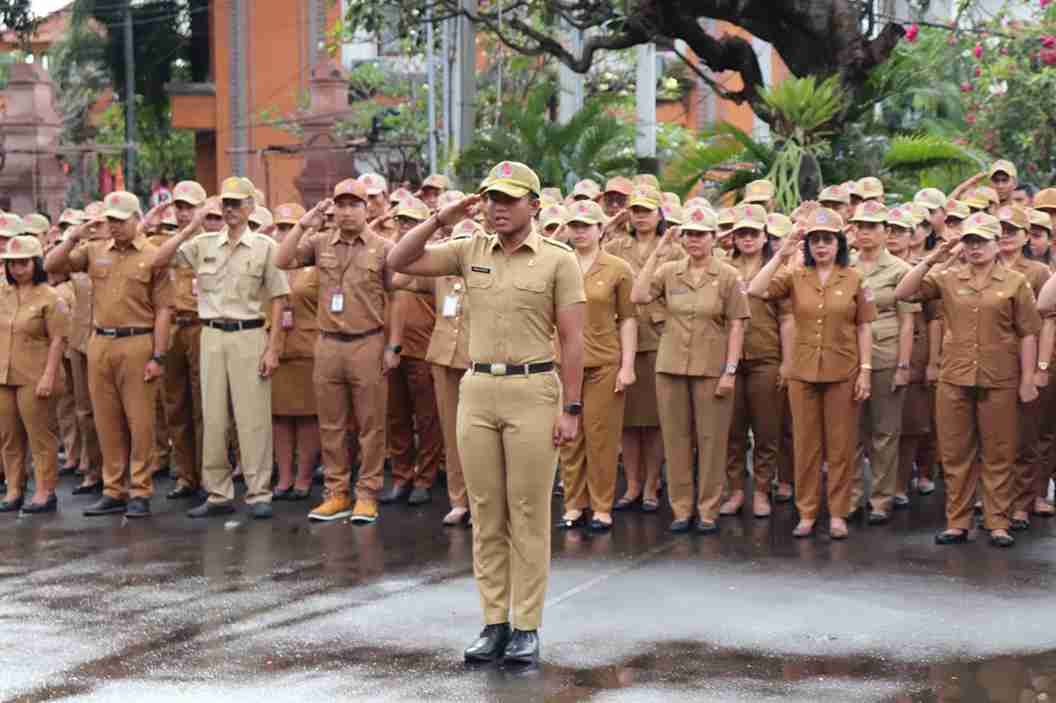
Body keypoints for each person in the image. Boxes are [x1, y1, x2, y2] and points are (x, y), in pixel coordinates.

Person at [387, 160, 585, 666]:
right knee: (486, 511)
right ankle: (494, 622)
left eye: (509, 199)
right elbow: (399, 259)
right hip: (477, 388)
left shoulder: (558, 259)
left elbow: (573, 340)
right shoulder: (469, 249)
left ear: (533, 206)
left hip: (533, 388)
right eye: (492, 198)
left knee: (528, 512)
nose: (497, 207)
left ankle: (526, 626)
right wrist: (441, 217)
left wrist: (571, 408)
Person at [896, 212, 1041, 548]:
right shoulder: (947, 277)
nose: (975, 248)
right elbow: (904, 292)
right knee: (955, 452)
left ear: (996, 244)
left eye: (982, 242)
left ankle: (997, 521)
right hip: (955, 376)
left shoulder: (1015, 282)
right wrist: (934, 257)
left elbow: (1028, 333)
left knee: (999, 451)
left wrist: (1028, 379)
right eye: (970, 241)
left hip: (1000, 376)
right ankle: (957, 522)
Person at [151, 176, 290, 520]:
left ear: (250, 207)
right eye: (225, 203)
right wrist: (191, 227)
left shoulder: (265, 247)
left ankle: (259, 492)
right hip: (211, 334)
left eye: (236, 203)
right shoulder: (204, 244)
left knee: (252, 417)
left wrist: (273, 347)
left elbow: (279, 298)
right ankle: (218, 493)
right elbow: (158, 260)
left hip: (249, 334)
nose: (230, 209)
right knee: (213, 417)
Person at [748, 208, 876, 540]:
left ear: (839, 243)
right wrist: (783, 252)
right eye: (815, 240)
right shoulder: (795, 275)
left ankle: (837, 513)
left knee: (841, 446)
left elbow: (864, 326)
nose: (821, 246)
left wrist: (865, 371)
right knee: (806, 446)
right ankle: (806, 512)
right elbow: (756, 289)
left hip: (843, 369)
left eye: (827, 240)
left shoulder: (854, 278)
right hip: (802, 371)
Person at [275, 180, 398, 524]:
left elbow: (396, 297)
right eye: (340, 205)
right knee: (331, 424)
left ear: (366, 208)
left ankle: (367, 494)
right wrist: (305, 222)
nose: (346, 212)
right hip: (328, 343)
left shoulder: (383, 248)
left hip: (367, 342)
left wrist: (392, 345)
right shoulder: (319, 242)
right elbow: (282, 259)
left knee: (371, 425)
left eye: (353, 205)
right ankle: (336, 492)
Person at [44, 192, 172, 518]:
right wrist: (74, 235)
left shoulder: (153, 255)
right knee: (106, 420)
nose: (114, 226)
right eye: (110, 220)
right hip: (100, 342)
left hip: (137, 341)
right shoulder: (95, 250)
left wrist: (158, 355)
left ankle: (140, 489)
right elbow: (51, 265)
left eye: (120, 220)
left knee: (140, 422)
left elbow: (163, 310)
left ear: (137, 219)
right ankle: (113, 489)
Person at [631, 203, 749, 534]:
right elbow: (638, 295)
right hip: (670, 366)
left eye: (701, 234)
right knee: (675, 439)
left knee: (712, 441)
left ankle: (708, 509)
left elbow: (737, 325)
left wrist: (730, 371)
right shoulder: (670, 271)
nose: (694, 240)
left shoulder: (728, 276)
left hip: (711, 368)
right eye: (689, 234)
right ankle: (681, 509)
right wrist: (657, 252)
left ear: (714, 238)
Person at [557, 200, 636, 532]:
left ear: (601, 229)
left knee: (601, 436)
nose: (580, 232)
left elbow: (628, 319)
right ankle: (574, 504)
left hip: (604, 362)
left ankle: (602, 506)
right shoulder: (559, 264)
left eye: (586, 226)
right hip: (564, 363)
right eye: (574, 226)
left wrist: (627, 366)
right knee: (568, 436)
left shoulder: (618, 268)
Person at [603, 185, 683, 513]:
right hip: (620, 338)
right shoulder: (615, 246)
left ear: (659, 214)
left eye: (646, 210)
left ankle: (651, 483)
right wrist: (610, 224)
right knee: (627, 420)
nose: (640, 217)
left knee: (655, 420)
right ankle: (633, 484)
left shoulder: (675, 249)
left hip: (658, 336)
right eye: (635, 210)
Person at [847, 201, 917, 524]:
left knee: (885, 432)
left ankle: (880, 499)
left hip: (886, 355)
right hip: (848, 356)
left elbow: (907, 322)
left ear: (886, 231)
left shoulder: (900, 269)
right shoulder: (845, 264)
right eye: (860, 226)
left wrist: (904, 365)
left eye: (872, 226)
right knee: (850, 432)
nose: (864, 232)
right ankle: (850, 498)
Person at [0, 231, 70, 514]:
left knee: (40, 435)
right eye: (12, 263)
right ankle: (14, 489)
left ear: (36, 263)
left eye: (23, 263)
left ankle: (45, 490)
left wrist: (49, 376)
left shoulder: (50, 296)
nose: (17, 269)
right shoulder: (3, 293)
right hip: (5, 374)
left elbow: (58, 340)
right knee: (8, 436)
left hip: (36, 375)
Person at [724, 204, 786, 518]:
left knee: (766, 429)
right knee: (732, 430)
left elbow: (787, 319)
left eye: (753, 233)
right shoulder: (723, 266)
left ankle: (761, 489)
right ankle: (736, 490)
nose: (747, 239)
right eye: (741, 233)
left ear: (765, 236)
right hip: (729, 359)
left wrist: (787, 362)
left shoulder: (779, 268)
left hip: (766, 355)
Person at [148, 181, 209, 500]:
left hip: (202, 326)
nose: (184, 213)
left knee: (204, 406)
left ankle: (208, 475)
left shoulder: (214, 240)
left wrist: (197, 229)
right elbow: (155, 261)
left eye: (190, 207)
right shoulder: (168, 241)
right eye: (179, 207)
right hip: (173, 327)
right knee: (175, 405)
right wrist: (179, 230)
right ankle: (186, 475)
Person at [381, 196, 444, 506]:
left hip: (426, 350)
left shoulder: (435, 259)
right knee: (397, 417)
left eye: (412, 221)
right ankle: (401, 476)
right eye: (401, 220)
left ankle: (425, 478)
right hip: (395, 349)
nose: (405, 226)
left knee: (428, 419)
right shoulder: (392, 256)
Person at [993, 205, 1051, 531]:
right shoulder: (980, 265)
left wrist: (1040, 368)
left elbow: (1046, 324)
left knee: (1028, 436)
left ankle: (1023, 503)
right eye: (999, 230)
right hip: (993, 362)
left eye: (1012, 231)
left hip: (1028, 359)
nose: (1005, 237)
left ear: (1026, 236)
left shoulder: (1038, 272)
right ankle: (995, 501)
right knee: (995, 437)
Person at [425, 218, 479, 526]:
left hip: (478, 362)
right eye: (458, 241)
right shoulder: (440, 274)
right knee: (452, 432)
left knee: (480, 436)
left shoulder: (488, 274)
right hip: (444, 359)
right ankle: (458, 500)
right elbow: (400, 274)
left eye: (469, 242)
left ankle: (481, 502)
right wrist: (432, 239)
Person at [270, 203, 320, 500]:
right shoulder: (273, 262)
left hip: (308, 349)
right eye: (281, 227)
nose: (284, 232)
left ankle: (303, 477)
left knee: (308, 417)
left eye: (291, 226)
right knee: (279, 417)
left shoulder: (316, 263)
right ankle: (284, 476)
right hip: (276, 349)